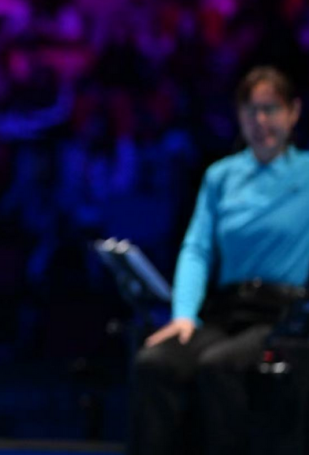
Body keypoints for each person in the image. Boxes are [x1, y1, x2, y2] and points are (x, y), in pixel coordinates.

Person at [129, 66, 309, 455]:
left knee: (218, 365)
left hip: (281, 317)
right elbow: (197, 249)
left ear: (293, 112)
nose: (260, 121)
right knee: (154, 363)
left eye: (271, 109)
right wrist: (183, 315)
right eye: (251, 110)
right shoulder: (221, 176)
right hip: (226, 312)